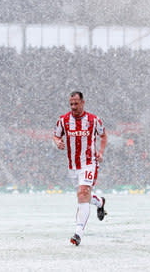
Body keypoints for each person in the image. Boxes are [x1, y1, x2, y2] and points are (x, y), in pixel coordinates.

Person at [53, 91, 108, 246]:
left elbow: (103, 136)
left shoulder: (94, 120)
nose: (73, 107)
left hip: (90, 162)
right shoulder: (63, 120)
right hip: (73, 166)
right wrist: (58, 143)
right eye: (71, 104)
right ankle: (99, 202)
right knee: (83, 195)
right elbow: (56, 136)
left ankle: (78, 234)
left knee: (82, 193)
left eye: (76, 103)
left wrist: (101, 151)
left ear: (83, 103)